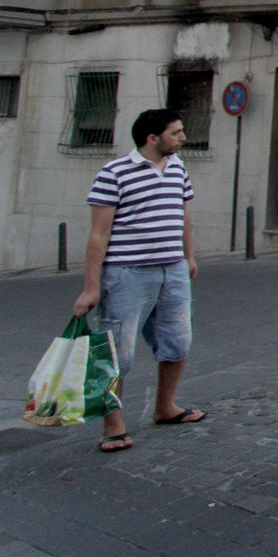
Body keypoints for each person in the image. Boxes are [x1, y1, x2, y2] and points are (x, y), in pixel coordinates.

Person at [73, 109, 204, 453]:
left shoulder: (178, 168)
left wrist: (188, 257)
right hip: (127, 274)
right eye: (176, 132)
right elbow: (99, 233)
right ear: (152, 138)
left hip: (173, 270)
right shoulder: (114, 173)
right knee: (117, 353)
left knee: (178, 342)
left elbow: (183, 214)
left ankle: (166, 407)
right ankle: (113, 426)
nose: (183, 137)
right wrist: (91, 287)